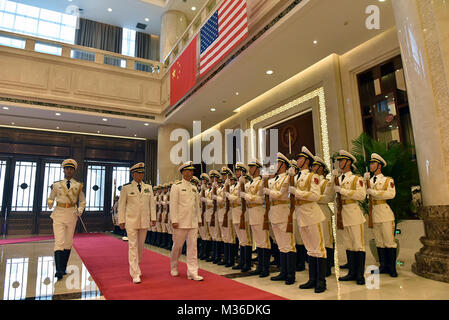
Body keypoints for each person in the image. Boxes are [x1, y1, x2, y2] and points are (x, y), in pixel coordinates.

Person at [289, 146, 327, 293]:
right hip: (301, 215)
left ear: (306, 160)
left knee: (319, 248)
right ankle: (312, 278)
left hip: (312, 214)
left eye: (300, 158)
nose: (297, 160)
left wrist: (297, 192)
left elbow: (315, 196)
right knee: (310, 249)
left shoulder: (313, 177)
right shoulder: (296, 177)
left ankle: (321, 281)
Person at [47, 158, 86, 280]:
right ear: (64, 170)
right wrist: (49, 202)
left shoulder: (78, 185)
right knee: (59, 241)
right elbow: (51, 197)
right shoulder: (56, 185)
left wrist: (80, 210)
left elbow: (82, 200)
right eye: (67, 169)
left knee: (68, 242)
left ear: (74, 171)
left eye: (71, 169)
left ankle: (63, 267)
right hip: (58, 214)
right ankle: (58, 270)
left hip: (72, 214)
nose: (69, 171)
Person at [118, 162, 156, 284]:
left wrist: (153, 218)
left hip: (144, 221)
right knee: (133, 246)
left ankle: (136, 266)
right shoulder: (126, 188)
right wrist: (121, 220)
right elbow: (121, 206)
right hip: (131, 221)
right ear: (133, 174)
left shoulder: (148, 187)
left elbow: (152, 204)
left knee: (140, 247)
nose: (141, 175)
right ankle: (134, 273)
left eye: (142, 173)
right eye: (138, 173)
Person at [333, 150, 367, 285]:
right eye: (339, 161)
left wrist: (342, 190)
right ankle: (351, 272)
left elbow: (361, 196)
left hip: (353, 214)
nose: (339, 163)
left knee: (358, 245)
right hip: (342, 215)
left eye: (342, 161)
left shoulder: (356, 179)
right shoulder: (338, 179)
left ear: (348, 162)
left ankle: (360, 275)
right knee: (348, 244)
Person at [263, 152, 296, 285]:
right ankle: (283, 271)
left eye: (276, 163)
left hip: (283, 212)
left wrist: (269, 192)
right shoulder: (273, 180)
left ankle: (290, 274)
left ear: (283, 164)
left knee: (288, 244)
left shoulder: (287, 178)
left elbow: (281, 195)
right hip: (274, 213)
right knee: (281, 245)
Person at [170, 161, 204, 281]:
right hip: (180, 221)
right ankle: (174, 266)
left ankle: (193, 272)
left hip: (193, 222)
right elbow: (173, 205)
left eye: (192, 171)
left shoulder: (194, 188)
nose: (191, 172)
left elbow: (196, 206)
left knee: (193, 247)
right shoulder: (176, 186)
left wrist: (199, 219)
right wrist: (174, 220)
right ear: (183, 172)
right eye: (188, 170)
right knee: (178, 246)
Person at [365, 153, 398, 277]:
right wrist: (365, 183)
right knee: (379, 241)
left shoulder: (387, 180)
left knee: (389, 241)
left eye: (373, 163)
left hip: (384, 213)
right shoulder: (369, 180)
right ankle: (383, 266)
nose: (371, 165)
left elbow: (390, 194)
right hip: (374, 213)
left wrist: (372, 191)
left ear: (379, 165)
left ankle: (392, 268)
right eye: (370, 163)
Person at [241, 159, 271, 277]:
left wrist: (247, 196)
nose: (250, 169)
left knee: (264, 241)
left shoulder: (262, 182)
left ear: (258, 169)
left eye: (252, 167)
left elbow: (261, 199)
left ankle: (265, 267)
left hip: (260, 213)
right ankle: (260, 266)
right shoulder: (250, 183)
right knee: (258, 241)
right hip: (252, 213)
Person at [226, 162, 252, 272]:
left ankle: (247, 263)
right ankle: (242, 262)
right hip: (236, 213)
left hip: (243, 212)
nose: (236, 172)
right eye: (236, 170)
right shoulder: (237, 184)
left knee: (246, 239)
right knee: (241, 239)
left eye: (238, 170)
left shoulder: (245, 184)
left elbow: (240, 199)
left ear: (243, 172)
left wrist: (229, 196)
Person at [312, 155, 335, 277]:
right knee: (316, 239)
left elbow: (328, 198)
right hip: (313, 211)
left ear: (321, 168)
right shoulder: (311, 180)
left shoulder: (327, 182)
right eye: (313, 165)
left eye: (316, 165)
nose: (313, 167)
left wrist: (314, 197)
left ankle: (327, 266)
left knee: (326, 239)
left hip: (323, 211)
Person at [290, 159, 308, 272]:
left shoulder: (306, 177)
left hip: (303, 210)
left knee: (301, 239)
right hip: (294, 210)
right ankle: (297, 262)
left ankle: (301, 262)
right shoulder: (294, 179)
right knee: (295, 238)